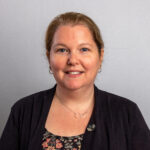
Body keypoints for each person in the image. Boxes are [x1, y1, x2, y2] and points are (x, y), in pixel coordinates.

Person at [0, 12, 150, 150]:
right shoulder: (23, 111)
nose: (73, 60)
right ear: (49, 57)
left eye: (84, 49)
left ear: (100, 55)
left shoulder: (127, 113)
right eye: (62, 50)